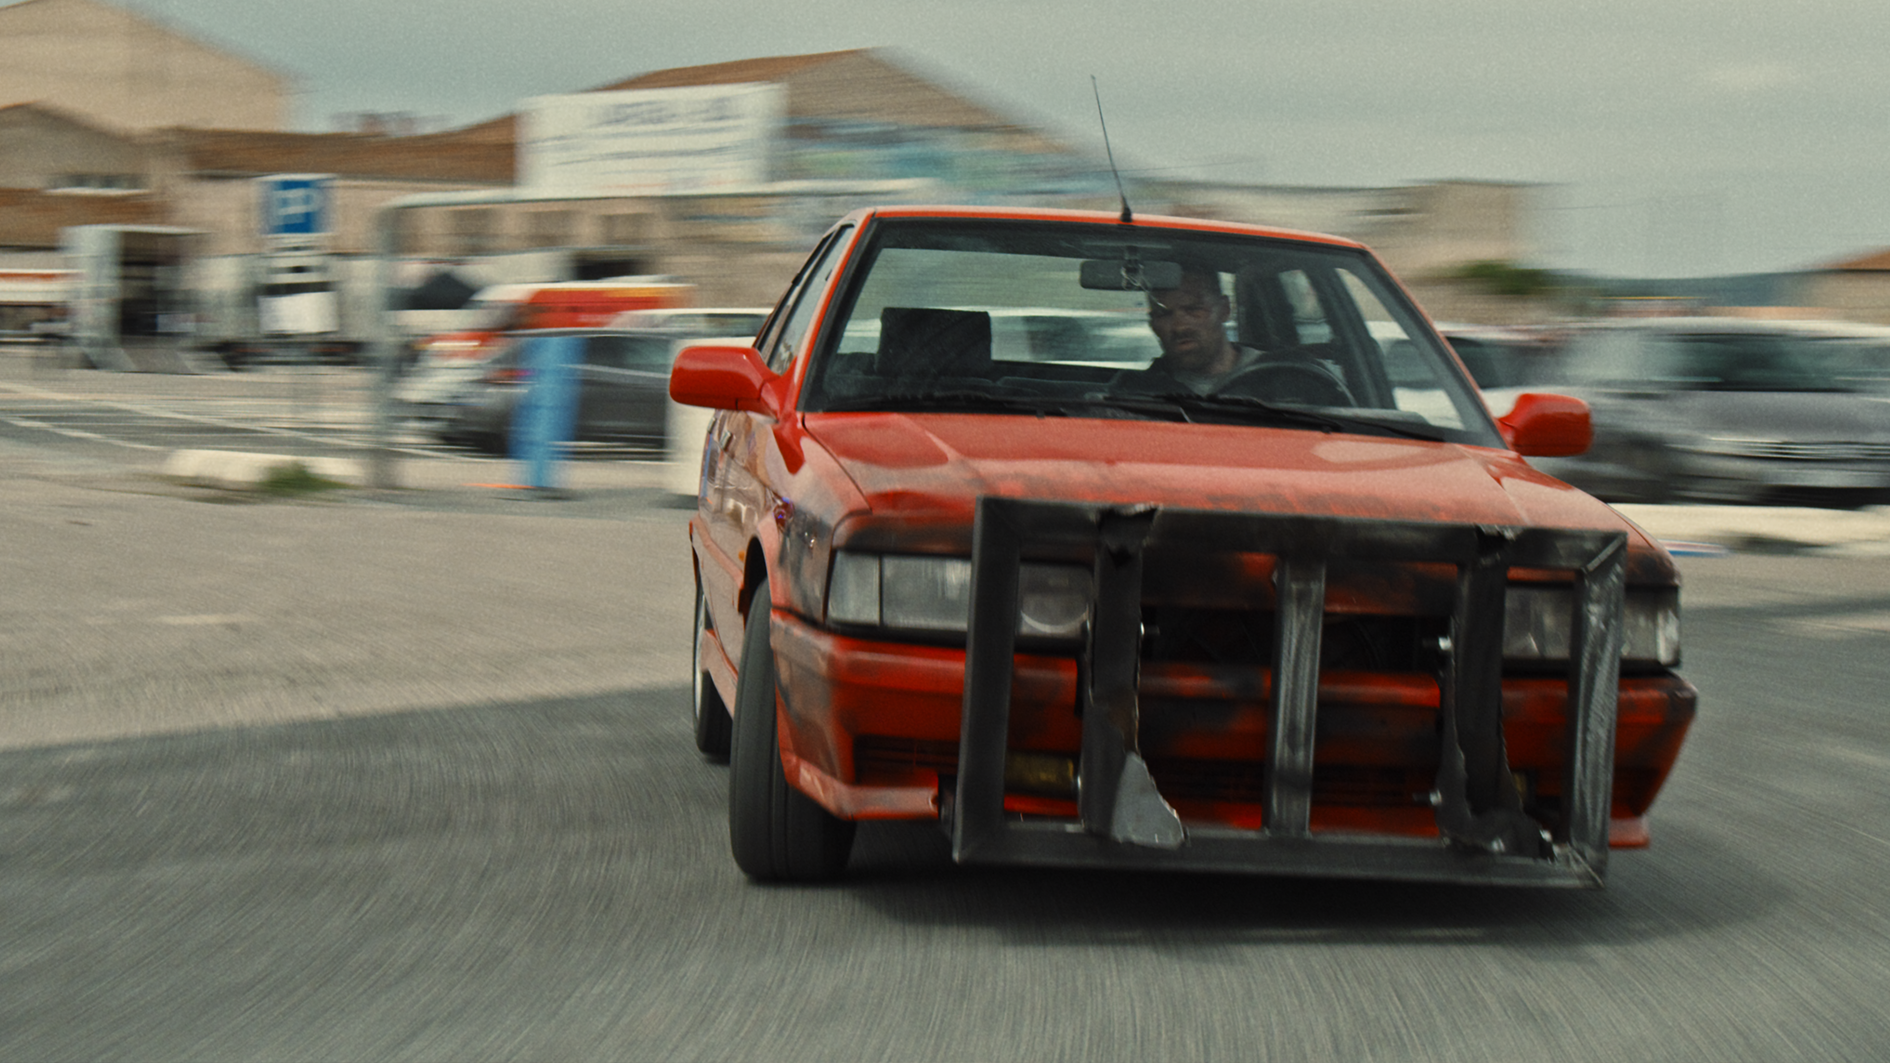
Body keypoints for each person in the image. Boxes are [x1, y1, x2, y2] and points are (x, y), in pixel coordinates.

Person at [1109, 265, 1353, 404]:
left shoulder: (1294, 376)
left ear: (1224, 310)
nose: (1179, 326)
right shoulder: (1135, 394)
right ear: (1152, 324)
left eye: (1194, 310)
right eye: (1164, 314)